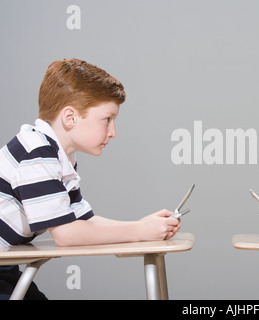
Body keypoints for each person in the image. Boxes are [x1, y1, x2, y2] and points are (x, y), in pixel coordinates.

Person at [0, 59, 180, 299]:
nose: (113, 132)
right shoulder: (37, 153)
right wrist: (139, 230)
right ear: (70, 117)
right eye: (107, 119)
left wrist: (143, 225)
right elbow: (66, 234)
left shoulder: (59, 156)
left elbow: (83, 219)